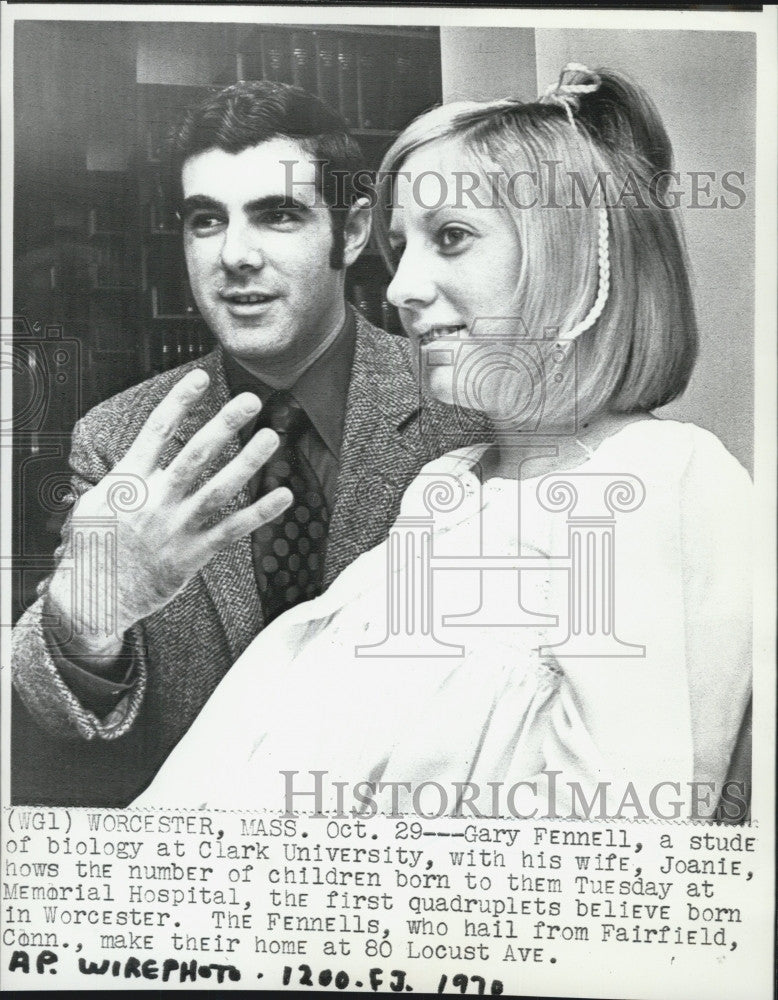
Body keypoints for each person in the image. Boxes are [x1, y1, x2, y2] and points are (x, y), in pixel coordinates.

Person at [135, 66, 752, 821]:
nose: (398, 289)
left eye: (450, 238)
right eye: (401, 247)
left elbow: (631, 846)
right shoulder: (447, 486)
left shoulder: (664, 478)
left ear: (571, 259)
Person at [11, 81, 484, 806]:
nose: (234, 255)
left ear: (352, 233)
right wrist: (85, 625)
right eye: (206, 221)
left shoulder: (463, 411)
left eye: (279, 215)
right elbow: (59, 736)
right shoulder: (117, 441)